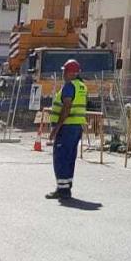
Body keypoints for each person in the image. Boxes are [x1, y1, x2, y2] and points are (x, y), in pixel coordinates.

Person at [46, 59, 88, 201]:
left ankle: (62, 190)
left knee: (61, 158)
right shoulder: (82, 86)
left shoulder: (69, 86)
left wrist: (55, 129)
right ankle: (66, 187)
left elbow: (67, 108)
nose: (63, 73)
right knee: (70, 158)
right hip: (77, 127)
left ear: (70, 73)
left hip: (67, 127)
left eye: (64, 71)